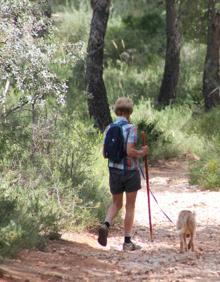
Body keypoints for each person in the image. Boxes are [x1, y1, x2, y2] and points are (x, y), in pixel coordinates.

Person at [98, 97, 148, 251]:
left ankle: (106, 224)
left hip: (114, 171)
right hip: (130, 171)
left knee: (116, 203)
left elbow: (104, 153)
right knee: (130, 206)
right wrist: (142, 152)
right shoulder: (131, 128)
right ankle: (127, 242)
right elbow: (130, 151)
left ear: (117, 111)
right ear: (129, 112)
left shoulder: (109, 128)